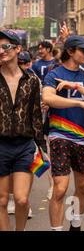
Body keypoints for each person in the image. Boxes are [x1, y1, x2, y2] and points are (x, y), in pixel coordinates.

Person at [42, 35, 84, 231]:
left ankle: (75, 225)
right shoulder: (54, 74)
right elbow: (48, 98)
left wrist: (77, 87)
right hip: (59, 135)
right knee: (60, 188)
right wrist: (79, 102)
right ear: (70, 51)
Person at [0, 29, 45, 231]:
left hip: (24, 145)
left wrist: (41, 146)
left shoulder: (32, 80)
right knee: (1, 201)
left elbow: (36, 115)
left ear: (18, 49)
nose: (1, 51)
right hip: (0, 145)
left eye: (5, 46)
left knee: (21, 199)